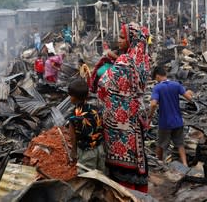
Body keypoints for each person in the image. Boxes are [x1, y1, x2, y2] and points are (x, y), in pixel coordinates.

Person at [97, 22, 150, 193]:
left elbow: (103, 84)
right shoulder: (143, 59)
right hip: (136, 120)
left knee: (124, 162)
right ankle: (140, 191)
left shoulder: (125, 60)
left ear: (131, 39)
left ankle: (125, 193)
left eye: (122, 37)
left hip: (122, 124)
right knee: (137, 157)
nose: (118, 40)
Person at [148, 66, 193, 166]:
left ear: (158, 76)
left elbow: (153, 104)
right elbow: (189, 98)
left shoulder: (157, 88)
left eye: (156, 78)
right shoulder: (176, 85)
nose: (156, 80)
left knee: (160, 145)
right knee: (180, 144)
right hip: (178, 121)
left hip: (165, 122)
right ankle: (185, 165)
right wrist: (190, 92)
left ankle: (158, 164)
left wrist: (150, 116)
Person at [68, 79, 105, 172]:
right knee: (100, 175)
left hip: (86, 152)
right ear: (87, 95)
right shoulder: (95, 109)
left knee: (86, 178)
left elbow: (72, 136)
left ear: (73, 98)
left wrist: (73, 151)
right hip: (100, 149)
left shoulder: (74, 116)